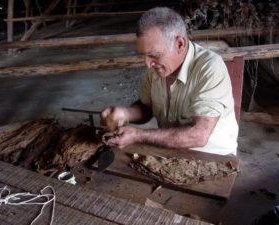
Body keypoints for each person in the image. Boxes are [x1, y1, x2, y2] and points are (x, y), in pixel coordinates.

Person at [100, 7, 239, 155]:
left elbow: (199, 135)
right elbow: (146, 108)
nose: (147, 63)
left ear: (180, 44)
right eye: (145, 55)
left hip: (212, 156)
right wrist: (124, 113)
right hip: (171, 149)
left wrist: (139, 135)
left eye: (154, 55)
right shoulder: (156, 68)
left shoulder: (210, 68)